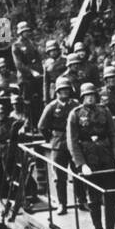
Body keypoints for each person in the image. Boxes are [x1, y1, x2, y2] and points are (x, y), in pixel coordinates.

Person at [66, 82, 115, 229]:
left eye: (92, 95)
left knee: (111, 197)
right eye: (87, 96)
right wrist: (81, 164)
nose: (90, 98)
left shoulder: (104, 111)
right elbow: (72, 142)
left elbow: (114, 135)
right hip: (89, 160)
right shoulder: (76, 114)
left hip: (107, 158)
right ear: (82, 98)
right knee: (94, 199)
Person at [37, 75, 76, 218]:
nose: (64, 92)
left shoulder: (75, 105)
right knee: (59, 176)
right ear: (57, 92)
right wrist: (52, 139)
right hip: (58, 144)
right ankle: (62, 203)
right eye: (62, 90)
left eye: (67, 89)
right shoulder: (52, 107)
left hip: (74, 144)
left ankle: (83, 201)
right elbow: (41, 126)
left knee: (78, 173)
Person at [0, 101, 20, 215]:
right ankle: (13, 197)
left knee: (18, 173)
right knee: (8, 176)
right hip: (3, 154)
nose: (1, 115)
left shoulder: (12, 121)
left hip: (15, 150)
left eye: (2, 113)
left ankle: (20, 196)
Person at [11, 21, 43, 111]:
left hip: (36, 76)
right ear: (20, 33)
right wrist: (31, 72)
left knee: (39, 99)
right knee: (27, 101)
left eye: (27, 31)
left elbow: (38, 59)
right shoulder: (16, 46)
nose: (27, 33)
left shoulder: (31, 43)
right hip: (25, 77)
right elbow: (18, 64)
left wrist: (40, 70)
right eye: (24, 31)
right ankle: (28, 122)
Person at [41, 40, 64, 105]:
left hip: (64, 86)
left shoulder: (65, 60)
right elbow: (45, 82)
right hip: (53, 89)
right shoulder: (47, 63)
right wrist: (45, 98)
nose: (53, 53)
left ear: (58, 50)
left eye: (54, 50)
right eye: (50, 51)